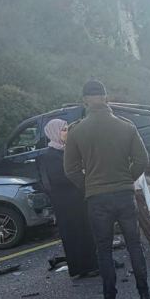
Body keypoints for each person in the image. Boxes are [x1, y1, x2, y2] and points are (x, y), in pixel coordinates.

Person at [64, 80, 150, 299]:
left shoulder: (76, 131)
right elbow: (143, 160)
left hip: (97, 199)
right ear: (106, 97)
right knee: (134, 244)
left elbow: (70, 169)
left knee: (103, 250)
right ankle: (144, 294)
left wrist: (88, 185)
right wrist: (126, 178)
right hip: (124, 195)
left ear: (84, 100)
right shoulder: (126, 126)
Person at [36, 118, 98, 279]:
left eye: (67, 129)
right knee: (74, 233)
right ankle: (82, 267)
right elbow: (58, 178)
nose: (66, 133)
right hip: (65, 202)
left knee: (85, 231)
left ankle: (92, 263)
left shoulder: (66, 150)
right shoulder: (50, 155)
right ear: (54, 133)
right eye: (63, 130)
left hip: (77, 198)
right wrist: (79, 174)